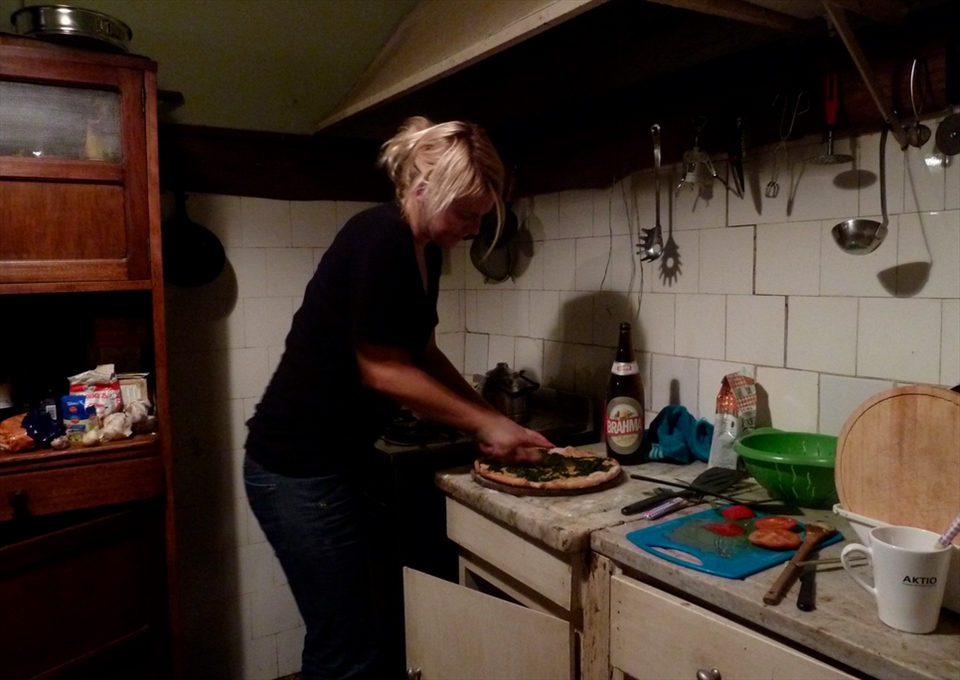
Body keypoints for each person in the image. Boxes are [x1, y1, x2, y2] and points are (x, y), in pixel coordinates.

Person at [243, 116, 552, 680]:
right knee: (345, 651)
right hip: (296, 470)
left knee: (346, 638)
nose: (473, 229)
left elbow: (423, 353)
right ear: (424, 189)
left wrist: (488, 415)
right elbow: (383, 372)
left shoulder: (424, 251)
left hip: (326, 466)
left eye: (480, 217)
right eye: (465, 214)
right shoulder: (378, 237)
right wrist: (485, 426)